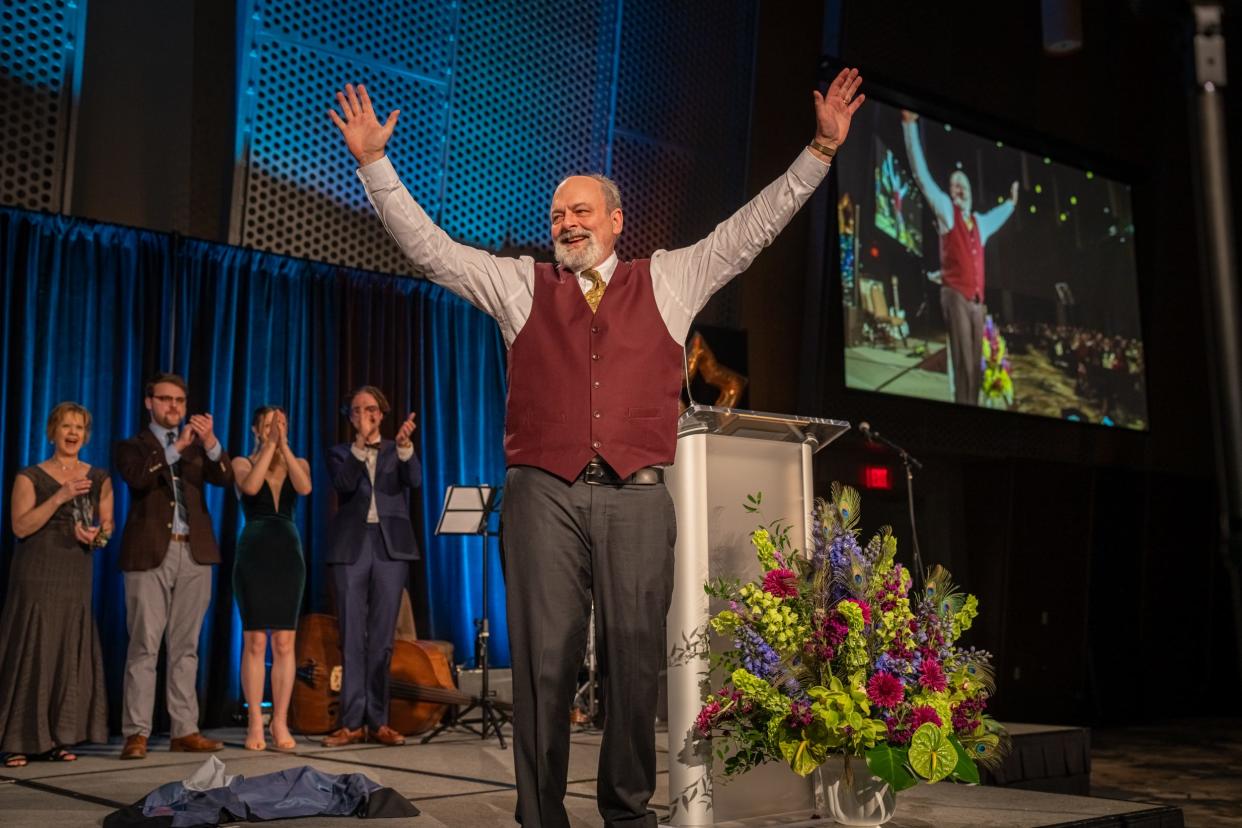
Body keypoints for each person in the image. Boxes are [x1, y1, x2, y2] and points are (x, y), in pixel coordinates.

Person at [328, 66, 865, 827]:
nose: (566, 222)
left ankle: (625, 814)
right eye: (557, 213)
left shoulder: (670, 280)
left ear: (618, 219)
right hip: (541, 495)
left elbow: (750, 232)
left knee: (635, 665)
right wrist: (375, 166)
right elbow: (433, 250)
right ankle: (541, 817)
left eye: (581, 210)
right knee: (545, 668)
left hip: (638, 496)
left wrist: (818, 150)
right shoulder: (519, 285)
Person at [114, 373, 233, 759]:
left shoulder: (199, 447)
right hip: (149, 554)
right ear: (149, 402)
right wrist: (175, 448)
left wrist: (212, 443)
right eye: (166, 400)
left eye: (180, 401)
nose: (174, 408)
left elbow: (224, 477)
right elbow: (136, 479)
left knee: (186, 647)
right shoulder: (134, 445)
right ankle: (137, 732)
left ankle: (185, 729)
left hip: (194, 553)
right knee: (144, 646)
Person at [0, 403, 112, 767]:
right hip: (36, 571)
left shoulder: (98, 476)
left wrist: (96, 536)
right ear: (52, 431)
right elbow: (21, 526)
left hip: (75, 572)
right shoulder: (30, 476)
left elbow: (107, 528)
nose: (72, 432)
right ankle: (17, 740)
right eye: (66, 426)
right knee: (34, 648)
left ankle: (57, 737)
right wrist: (61, 496)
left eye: (79, 427)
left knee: (65, 649)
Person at [321, 386, 421, 748]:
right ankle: (350, 723)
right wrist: (360, 447)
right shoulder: (339, 453)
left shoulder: (398, 450)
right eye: (359, 410)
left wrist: (407, 448)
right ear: (351, 418)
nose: (367, 415)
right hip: (351, 549)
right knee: (351, 637)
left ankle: (379, 721)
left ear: (382, 413)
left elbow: (415, 481)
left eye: (373, 409)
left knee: (382, 640)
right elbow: (344, 483)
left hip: (391, 550)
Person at [901, 109, 1019, 405]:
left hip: (977, 303)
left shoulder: (980, 223)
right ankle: (963, 409)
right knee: (963, 361)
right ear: (951, 192)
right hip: (955, 295)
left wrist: (1012, 203)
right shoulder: (946, 211)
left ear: (969, 191)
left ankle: (972, 408)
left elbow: (998, 215)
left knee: (975, 364)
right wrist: (909, 127)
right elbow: (922, 176)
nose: (959, 188)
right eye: (955, 185)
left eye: (963, 185)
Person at [231, 405, 312, 752]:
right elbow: (250, 488)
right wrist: (268, 447)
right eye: (268, 425)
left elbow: (305, 487)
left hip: (287, 555)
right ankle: (254, 722)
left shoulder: (300, 462)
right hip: (254, 553)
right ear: (255, 430)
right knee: (255, 642)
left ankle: (279, 720)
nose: (276, 430)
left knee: (283, 642)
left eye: (281, 424)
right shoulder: (241, 462)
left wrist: (284, 448)